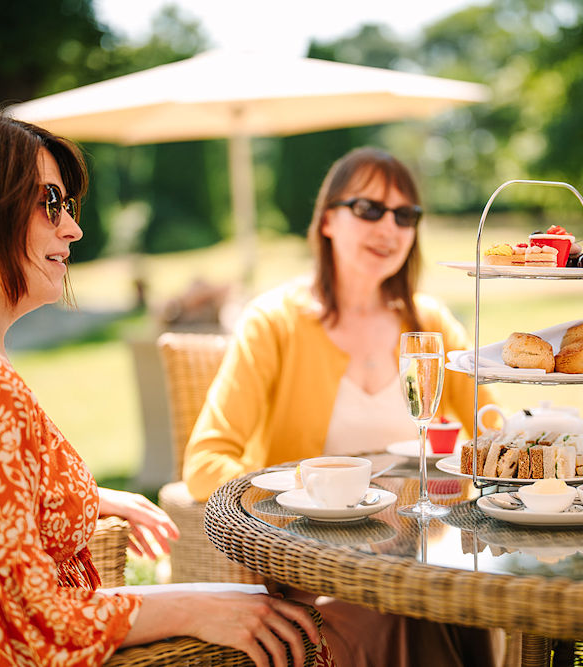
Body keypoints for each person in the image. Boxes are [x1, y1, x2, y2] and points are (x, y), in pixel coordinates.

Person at [0, 106, 320, 667]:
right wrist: (194, 607)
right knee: (306, 626)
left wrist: (86, 499)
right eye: (49, 203)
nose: (73, 227)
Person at [182, 147, 502, 666]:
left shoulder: (430, 324)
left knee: (454, 599)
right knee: (415, 607)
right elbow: (204, 463)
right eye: (370, 209)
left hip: (424, 558)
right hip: (314, 571)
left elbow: (494, 436)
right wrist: (310, 501)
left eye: (405, 215)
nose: (390, 227)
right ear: (328, 219)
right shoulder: (274, 323)